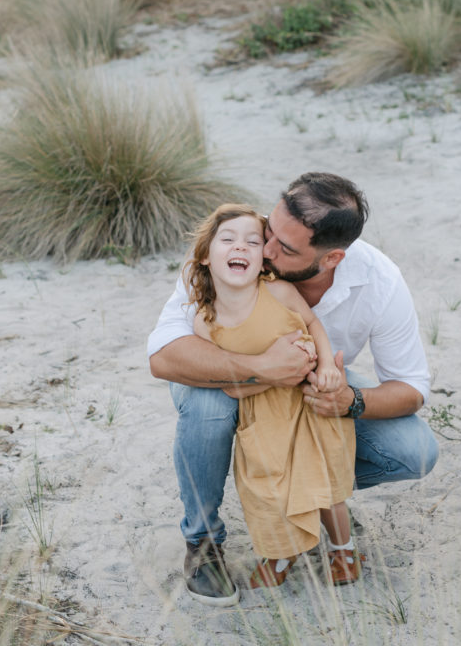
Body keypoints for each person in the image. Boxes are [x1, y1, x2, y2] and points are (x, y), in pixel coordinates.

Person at [148, 172, 439, 606]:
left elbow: (412, 388)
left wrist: (350, 400)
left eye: (284, 248)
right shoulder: (234, 247)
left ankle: (308, 498)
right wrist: (259, 369)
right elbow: (164, 358)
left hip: (312, 393)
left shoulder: (379, 281)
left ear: (331, 258)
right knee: (208, 408)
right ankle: (204, 543)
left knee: (414, 451)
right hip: (231, 385)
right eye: (270, 230)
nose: (263, 249)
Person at [185, 203, 358, 593]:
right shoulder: (204, 321)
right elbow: (227, 384)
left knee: (325, 483)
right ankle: (283, 552)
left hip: (309, 406)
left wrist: (328, 365)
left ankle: (343, 549)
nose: (241, 248)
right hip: (263, 417)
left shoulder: (279, 291)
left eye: (252, 241)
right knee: (270, 491)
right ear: (205, 256)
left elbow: (314, 324)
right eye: (227, 240)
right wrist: (272, 375)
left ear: (263, 256)